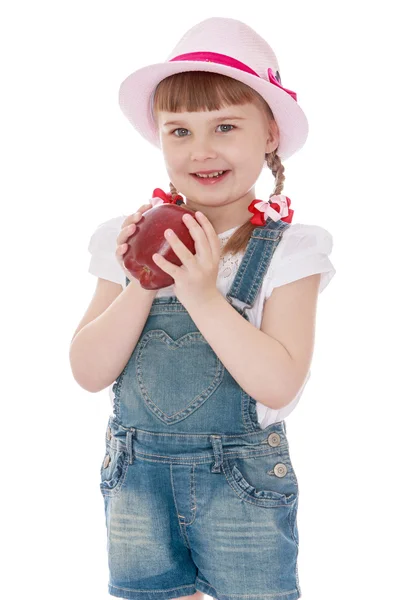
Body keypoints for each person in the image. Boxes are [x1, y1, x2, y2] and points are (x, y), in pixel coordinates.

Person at [69, 17, 336, 600]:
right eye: (180, 131)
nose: (202, 150)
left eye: (225, 126)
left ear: (269, 133)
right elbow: (88, 372)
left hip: (241, 489)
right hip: (137, 483)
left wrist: (202, 294)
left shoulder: (291, 248)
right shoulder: (126, 236)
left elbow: (279, 382)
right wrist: (143, 278)